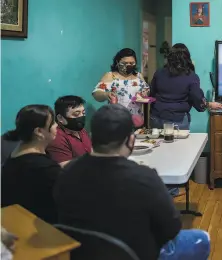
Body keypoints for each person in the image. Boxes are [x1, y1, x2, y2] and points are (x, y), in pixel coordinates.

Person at [53, 104, 210, 260]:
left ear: (92, 137)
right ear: (131, 141)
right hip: (135, 254)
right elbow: (171, 229)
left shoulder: (67, 172)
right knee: (202, 238)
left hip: (84, 253)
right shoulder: (145, 177)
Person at [1, 105, 61, 223]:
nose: (57, 125)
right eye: (53, 122)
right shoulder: (46, 169)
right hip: (42, 229)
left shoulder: (15, 155)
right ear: (39, 132)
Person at [150, 43, 222, 130]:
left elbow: (152, 94)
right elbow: (196, 97)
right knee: (179, 144)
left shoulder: (159, 73)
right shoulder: (191, 76)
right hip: (178, 120)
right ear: (187, 58)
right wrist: (209, 104)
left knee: (159, 143)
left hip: (156, 118)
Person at [92, 48, 149, 127]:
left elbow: (146, 91)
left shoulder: (139, 76)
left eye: (132, 63)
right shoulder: (110, 76)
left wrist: (145, 94)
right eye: (125, 63)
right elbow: (96, 94)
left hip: (136, 121)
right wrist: (106, 94)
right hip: (116, 122)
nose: (129, 65)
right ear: (117, 62)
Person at [46, 96, 92, 167]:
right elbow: (65, 167)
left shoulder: (81, 131)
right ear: (60, 118)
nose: (81, 117)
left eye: (83, 113)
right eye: (76, 114)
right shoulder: (56, 137)